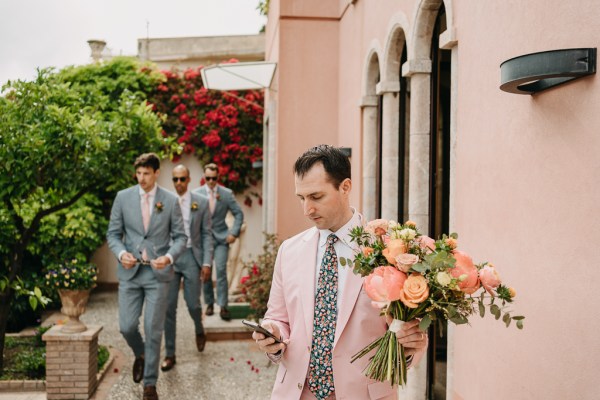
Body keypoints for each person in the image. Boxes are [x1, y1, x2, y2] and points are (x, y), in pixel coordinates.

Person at [253, 145, 428, 400]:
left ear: (345, 187)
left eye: (316, 196)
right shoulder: (288, 251)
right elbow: (278, 317)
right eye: (301, 198)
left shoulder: (389, 248)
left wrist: (410, 346)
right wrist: (273, 334)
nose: (307, 209)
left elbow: (408, 331)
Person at [107, 153, 187, 400]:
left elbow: (181, 237)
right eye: (138, 174)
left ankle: (150, 384)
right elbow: (113, 234)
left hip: (158, 274)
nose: (141, 179)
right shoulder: (123, 198)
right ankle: (140, 353)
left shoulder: (170, 201)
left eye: (146, 174)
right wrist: (121, 254)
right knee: (127, 326)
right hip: (130, 273)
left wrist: (169, 257)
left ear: (156, 173)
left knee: (153, 329)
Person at [160, 165, 213, 372]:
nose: (179, 183)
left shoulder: (201, 203)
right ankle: (170, 354)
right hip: (171, 258)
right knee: (168, 308)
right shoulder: (165, 203)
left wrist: (207, 263)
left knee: (193, 305)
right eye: (175, 180)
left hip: (192, 256)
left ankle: (199, 329)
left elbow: (207, 234)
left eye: (182, 179)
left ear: (189, 179)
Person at [194, 163, 243, 321]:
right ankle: (209, 303)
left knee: (221, 270)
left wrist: (233, 232)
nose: (211, 181)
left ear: (218, 178)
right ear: (204, 177)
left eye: (214, 178)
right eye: (208, 178)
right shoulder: (196, 194)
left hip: (221, 238)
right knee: (205, 273)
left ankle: (223, 306)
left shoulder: (226, 194)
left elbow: (239, 213)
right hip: (203, 240)